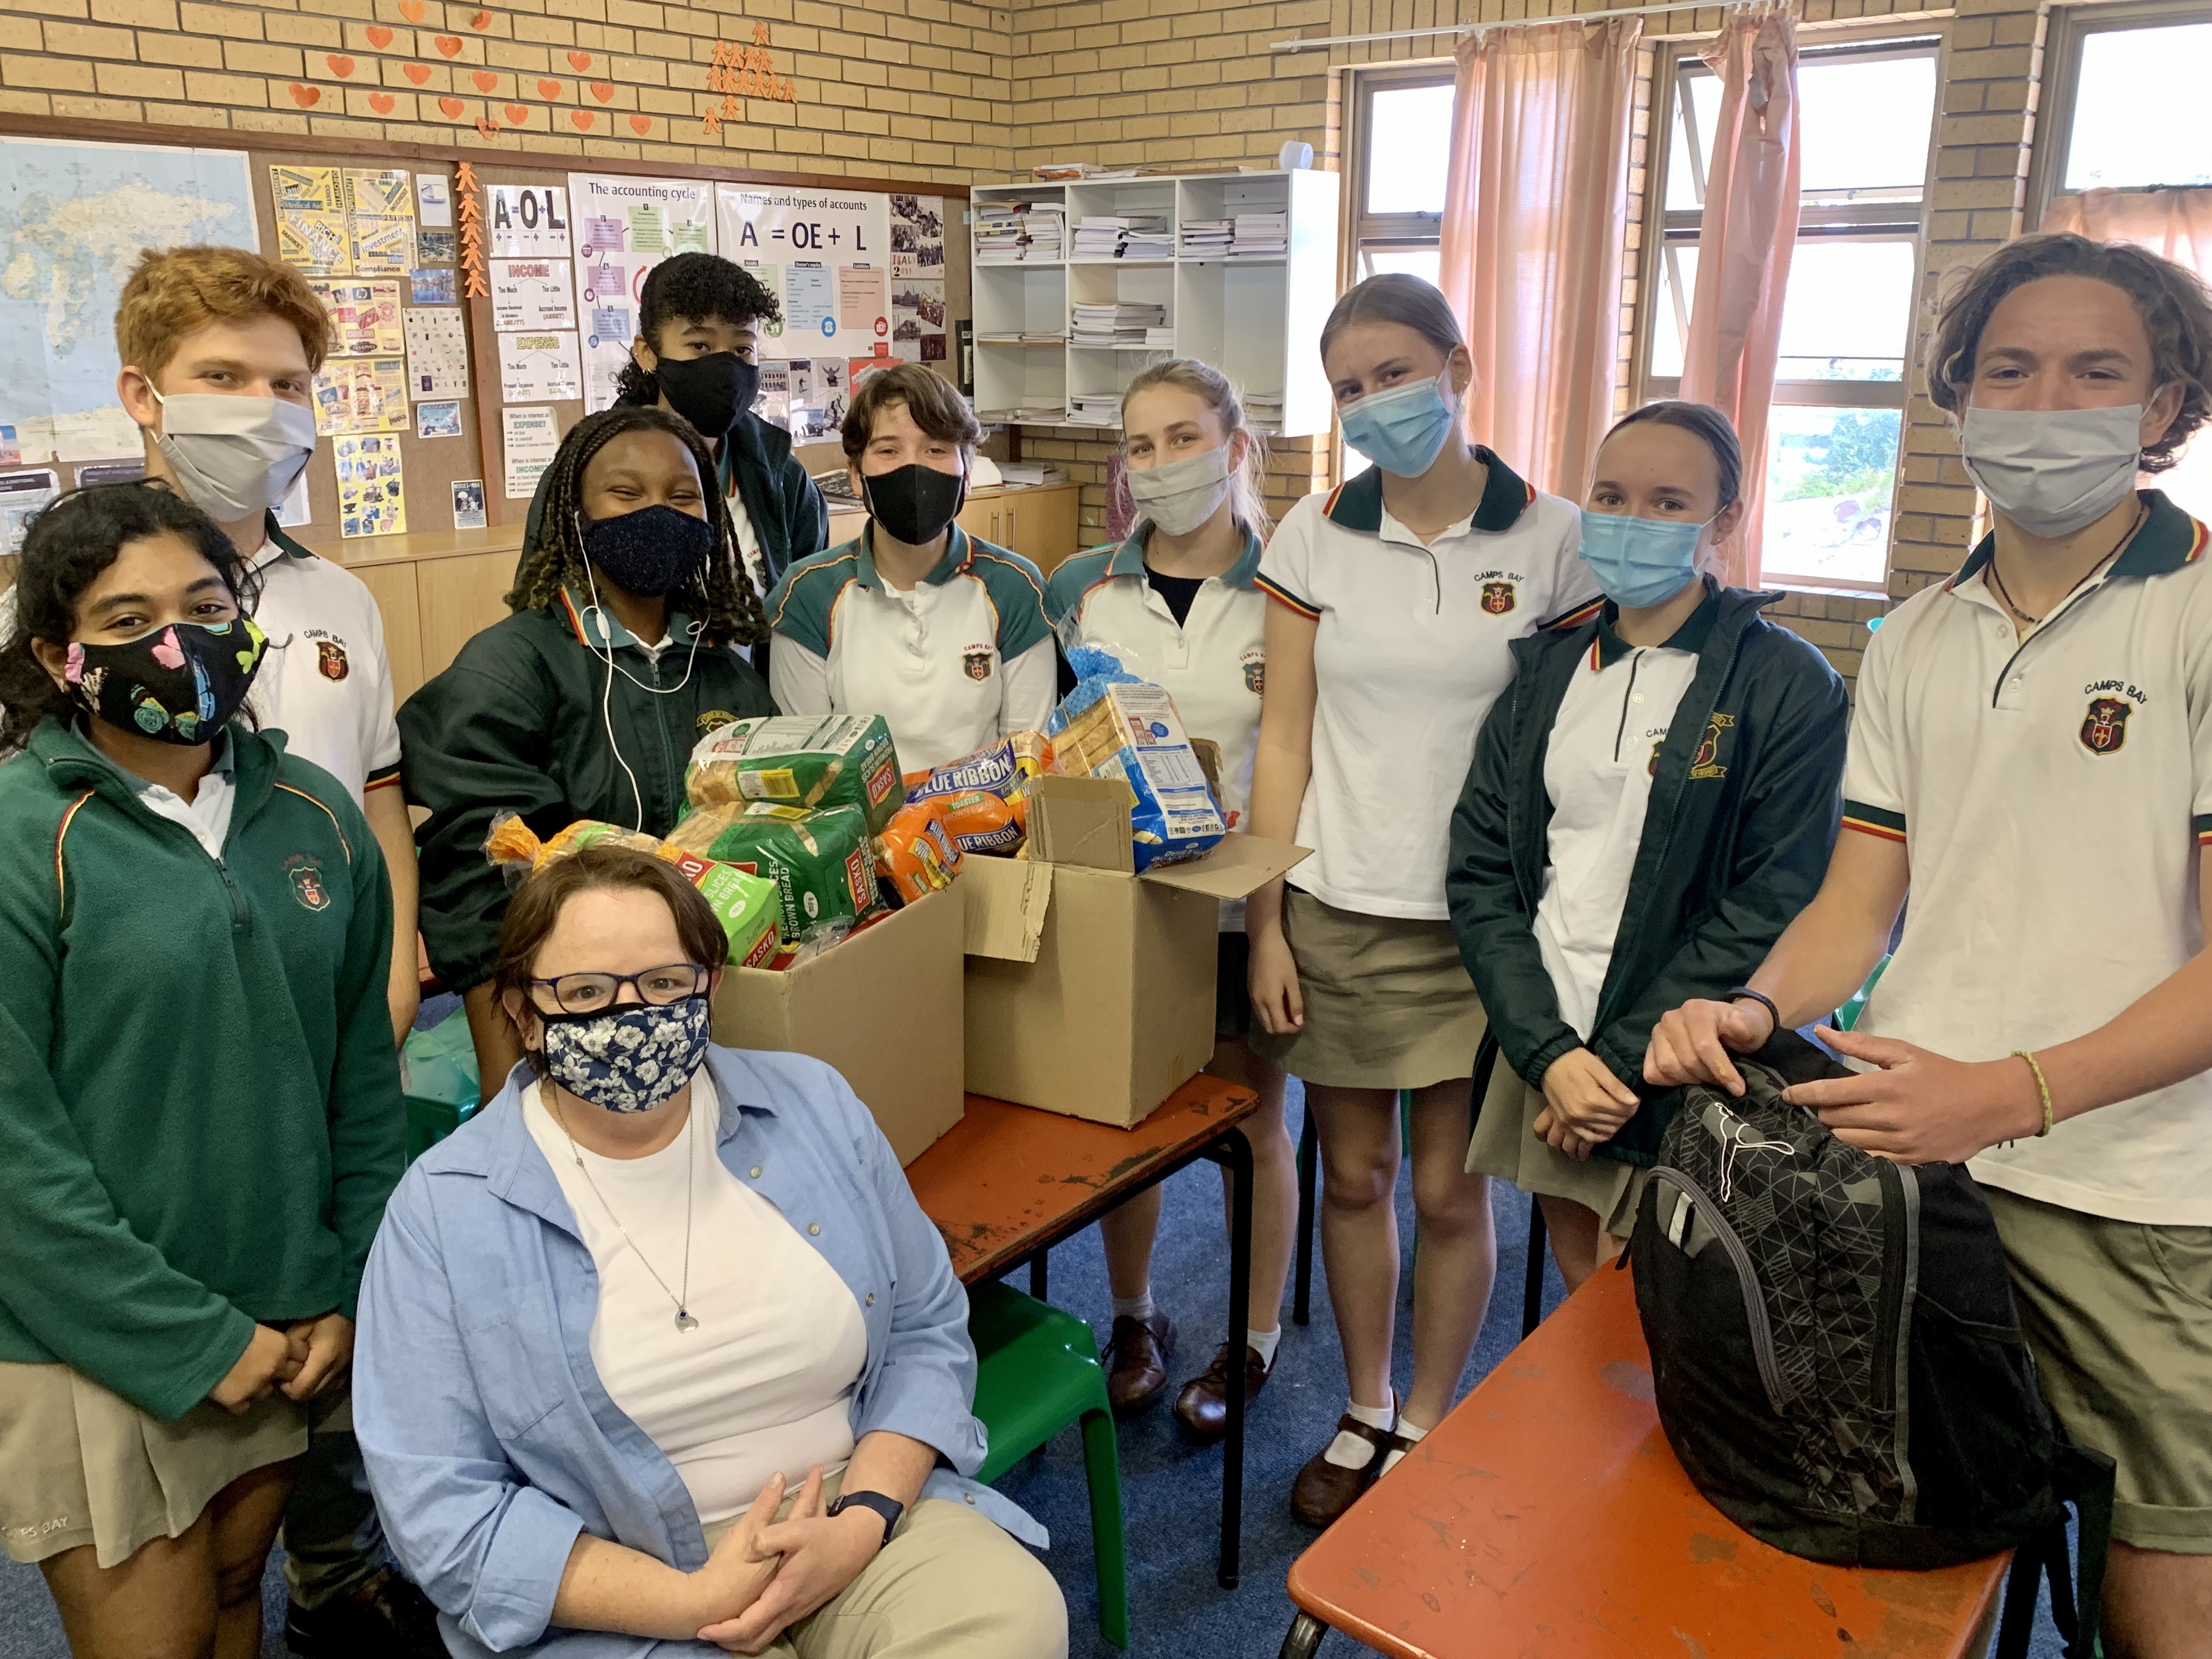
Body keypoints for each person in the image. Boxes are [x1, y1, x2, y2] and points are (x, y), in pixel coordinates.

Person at [1645, 233, 2212, 1659]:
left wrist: (2009, 1092)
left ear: (2161, 404)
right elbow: (1858, 904)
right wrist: (1755, 1007)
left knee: (2164, 1576)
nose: (2043, 401)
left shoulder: (2201, 610)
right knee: (1898, 1516)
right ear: (1957, 395)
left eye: (2093, 370)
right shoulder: (1911, 634)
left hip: (2136, 1185)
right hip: (1905, 1158)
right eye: (2006, 369)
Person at [353, 846, 1068, 1659]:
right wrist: (689, 1600)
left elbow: (922, 1327)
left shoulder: (815, 1107)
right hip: (621, 1572)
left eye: (664, 983)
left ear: (711, 986)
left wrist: (864, 1518)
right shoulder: (443, 1210)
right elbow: (438, 1501)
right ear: (520, 1011)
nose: (632, 1014)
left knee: (1009, 1619)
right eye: (585, 992)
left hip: (848, 1509)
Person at [0, 484, 404, 1659]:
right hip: (95, 1333)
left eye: (205, 604)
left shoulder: (316, 816)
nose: (176, 643)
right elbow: (14, 1157)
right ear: (58, 656)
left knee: (236, 1593)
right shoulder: (25, 835)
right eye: (127, 619)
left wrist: (343, 1280)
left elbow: (359, 1088)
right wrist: (192, 1336)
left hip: (280, 1317)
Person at [108, 245, 432, 1656]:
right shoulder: (76, 604)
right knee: (199, 1326)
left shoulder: (335, 599)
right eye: (221, 377)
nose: (261, 408)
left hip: (337, 1014)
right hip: (166, 1036)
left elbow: (380, 798)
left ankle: (337, 1564)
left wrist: (400, 953)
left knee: (344, 1283)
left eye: (288, 383)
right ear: (144, 395)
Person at [1245, 272, 1600, 1528]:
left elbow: (1581, 740)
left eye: (1393, 373)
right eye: (1348, 387)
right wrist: (1264, 920)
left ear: (1456, 368)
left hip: (1485, 924)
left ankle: (1432, 1422)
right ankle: (1365, 1401)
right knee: (1354, 1176)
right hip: (1340, 906)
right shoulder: (1311, 533)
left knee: (1451, 1191)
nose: (1372, 404)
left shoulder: (1553, 535)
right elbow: (1282, 736)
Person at [1447, 402, 1847, 1291]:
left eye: (1669, 502)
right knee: (1584, 1295)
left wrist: (1616, 1063)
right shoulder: (1546, 670)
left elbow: (1771, 896)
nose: (1633, 520)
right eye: (1611, 496)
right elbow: (1483, 875)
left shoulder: (1785, 683)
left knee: (1662, 1317)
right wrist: (1548, 1052)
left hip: (1677, 1057)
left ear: (1724, 521)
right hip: (1550, 1035)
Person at [1045, 359, 1298, 1436]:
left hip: (1247, 907)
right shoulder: (1083, 587)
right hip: (1133, 907)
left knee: (1253, 1123)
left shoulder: (1289, 586)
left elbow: (1297, 753)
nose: (1159, 464)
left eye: (1183, 438)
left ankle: (1253, 1336)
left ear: (1235, 447)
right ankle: (1133, 1314)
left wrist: (1273, 923)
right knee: (1133, 1120)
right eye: (1139, 445)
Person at [401, 404, 775, 1097]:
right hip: (569, 1016)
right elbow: (476, 887)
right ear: (574, 515)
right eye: (626, 493)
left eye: (683, 496)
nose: (657, 511)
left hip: (709, 1003)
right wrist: (510, 1079)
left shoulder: (727, 674)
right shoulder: (511, 668)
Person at [765, 363, 1055, 773]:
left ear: (967, 474)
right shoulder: (806, 595)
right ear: (856, 476)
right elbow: (812, 771)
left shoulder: (1016, 588)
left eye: (936, 450)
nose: (913, 468)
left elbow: (1026, 764)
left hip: (985, 813)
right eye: (888, 450)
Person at [522, 252, 829, 603]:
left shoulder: (783, 478)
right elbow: (542, 606)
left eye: (742, 348)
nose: (725, 365)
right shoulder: (584, 473)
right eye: (700, 345)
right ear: (647, 352)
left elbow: (809, 611)